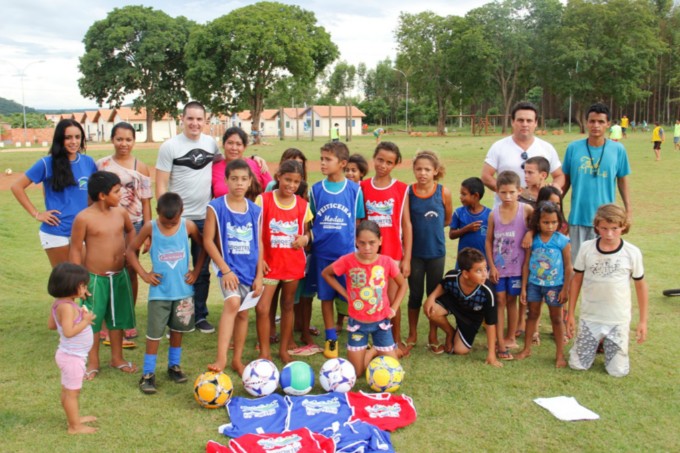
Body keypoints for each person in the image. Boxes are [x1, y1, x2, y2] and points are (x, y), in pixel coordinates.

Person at [126, 192, 206, 394]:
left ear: (182, 213)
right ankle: (148, 374)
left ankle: (174, 366)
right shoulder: (149, 227)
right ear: (157, 213)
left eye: (174, 221)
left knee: (177, 330)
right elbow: (130, 251)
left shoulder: (188, 226)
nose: (170, 225)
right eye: (165, 221)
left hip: (183, 292)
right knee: (154, 335)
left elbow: (203, 246)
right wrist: (144, 274)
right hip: (159, 293)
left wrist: (195, 271)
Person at [155, 101, 218, 334]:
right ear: (181, 119)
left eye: (199, 119)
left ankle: (199, 315)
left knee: (201, 270)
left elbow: (227, 164)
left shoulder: (211, 143)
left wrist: (255, 157)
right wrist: (164, 218)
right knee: (176, 269)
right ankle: (177, 317)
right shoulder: (169, 147)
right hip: (178, 220)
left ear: (205, 121)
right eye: (190, 118)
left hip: (204, 218)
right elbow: (160, 184)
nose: (194, 123)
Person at [566, 204, 648, 377]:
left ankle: (609, 347)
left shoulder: (632, 252)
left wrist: (642, 321)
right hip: (590, 317)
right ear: (596, 226)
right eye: (604, 228)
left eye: (614, 229)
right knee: (577, 365)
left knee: (618, 372)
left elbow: (640, 286)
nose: (609, 234)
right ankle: (592, 346)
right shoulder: (587, 248)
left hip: (618, 319)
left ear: (623, 227)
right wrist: (570, 314)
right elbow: (576, 281)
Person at [69, 171, 137, 378]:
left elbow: (131, 231)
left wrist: (130, 250)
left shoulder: (121, 213)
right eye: (117, 191)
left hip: (119, 276)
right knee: (93, 320)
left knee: (117, 319)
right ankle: (93, 361)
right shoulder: (84, 218)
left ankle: (117, 358)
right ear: (102, 195)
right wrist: (78, 281)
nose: (121, 194)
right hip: (94, 278)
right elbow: (74, 248)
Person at [321, 220, 407, 376]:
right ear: (356, 242)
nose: (367, 247)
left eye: (372, 243)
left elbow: (403, 285)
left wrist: (393, 308)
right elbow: (326, 273)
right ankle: (375, 350)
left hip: (381, 324)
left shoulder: (386, 262)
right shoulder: (347, 260)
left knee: (394, 370)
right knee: (358, 372)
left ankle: (376, 348)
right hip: (357, 325)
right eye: (362, 243)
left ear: (380, 241)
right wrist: (345, 293)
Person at [205, 159, 264, 376]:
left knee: (243, 313)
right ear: (226, 180)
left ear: (250, 182)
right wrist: (225, 269)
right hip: (228, 268)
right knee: (232, 303)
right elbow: (208, 241)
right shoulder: (216, 207)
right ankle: (221, 358)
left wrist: (259, 275)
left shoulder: (256, 211)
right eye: (234, 179)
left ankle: (237, 360)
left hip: (249, 270)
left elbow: (259, 244)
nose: (239, 183)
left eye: (243, 179)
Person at [11, 119, 97, 267]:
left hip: (82, 231)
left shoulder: (88, 162)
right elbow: (17, 187)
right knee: (66, 282)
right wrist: (37, 214)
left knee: (84, 278)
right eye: (68, 137)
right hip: (56, 232)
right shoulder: (46, 163)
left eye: (77, 137)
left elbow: (94, 194)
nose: (73, 142)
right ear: (59, 139)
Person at [97, 122, 152, 341]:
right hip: (107, 226)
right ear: (112, 140)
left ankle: (127, 319)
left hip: (135, 226)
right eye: (119, 139)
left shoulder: (141, 167)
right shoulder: (102, 165)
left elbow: (147, 202)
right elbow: (93, 198)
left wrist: (148, 232)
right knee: (106, 271)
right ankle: (103, 321)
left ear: (134, 141)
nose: (124, 144)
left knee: (130, 271)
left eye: (128, 139)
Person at [309, 141, 365, 359]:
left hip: (347, 255)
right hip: (322, 254)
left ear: (342, 163)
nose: (322, 163)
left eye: (327, 159)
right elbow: (312, 220)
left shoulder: (354, 190)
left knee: (352, 296)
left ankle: (357, 333)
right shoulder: (316, 190)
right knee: (326, 297)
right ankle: (330, 337)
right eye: (321, 158)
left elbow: (358, 221)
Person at [254, 160, 312, 363]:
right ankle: (265, 352)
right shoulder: (264, 200)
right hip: (269, 264)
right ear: (278, 176)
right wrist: (259, 260)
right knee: (262, 307)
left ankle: (284, 349)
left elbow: (306, 232)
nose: (291, 185)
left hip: (292, 264)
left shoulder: (303, 205)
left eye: (296, 182)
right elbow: (255, 231)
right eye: (288, 179)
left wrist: (305, 239)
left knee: (288, 304)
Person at [562, 103, 632, 261]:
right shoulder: (573, 148)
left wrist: (628, 211)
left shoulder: (618, 150)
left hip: (606, 221)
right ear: (586, 122)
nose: (596, 126)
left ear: (608, 124)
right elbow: (565, 182)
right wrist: (558, 211)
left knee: (603, 265)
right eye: (592, 121)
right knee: (577, 266)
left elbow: (622, 180)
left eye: (601, 122)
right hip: (578, 218)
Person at [361, 141, 412, 354]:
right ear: (374, 158)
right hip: (366, 255)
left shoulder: (401, 189)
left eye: (389, 162)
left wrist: (407, 258)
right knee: (369, 297)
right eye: (380, 160)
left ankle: (395, 340)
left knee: (391, 301)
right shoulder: (362, 187)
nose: (383, 165)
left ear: (396, 164)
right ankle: (370, 341)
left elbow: (406, 224)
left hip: (392, 255)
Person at [404, 151, 452, 354]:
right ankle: (413, 334)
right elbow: (405, 223)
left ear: (435, 171)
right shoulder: (408, 192)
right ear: (414, 169)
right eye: (419, 169)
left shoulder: (443, 192)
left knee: (434, 294)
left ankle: (433, 335)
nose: (422, 173)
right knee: (415, 294)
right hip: (415, 254)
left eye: (427, 169)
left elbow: (447, 219)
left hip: (436, 253)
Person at [423, 248, 501, 367]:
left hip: (471, 318)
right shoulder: (452, 276)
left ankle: (458, 335)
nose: (485, 274)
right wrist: (432, 297)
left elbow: (491, 324)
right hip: (454, 304)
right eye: (479, 271)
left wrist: (491, 355)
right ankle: (450, 332)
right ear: (465, 274)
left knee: (460, 351)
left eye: (485, 268)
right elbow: (443, 285)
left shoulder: (487, 292)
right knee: (430, 309)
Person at [516, 202, 572, 367]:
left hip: (555, 286)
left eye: (554, 222)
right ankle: (526, 349)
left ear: (559, 221)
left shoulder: (562, 240)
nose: (550, 226)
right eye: (545, 222)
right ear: (538, 222)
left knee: (556, 318)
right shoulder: (532, 239)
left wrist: (565, 289)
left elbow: (569, 267)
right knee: (532, 315)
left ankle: (560, 355)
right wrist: (524, 287)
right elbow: (526, 264)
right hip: (534, 284)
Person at [485, 171, 533, 360]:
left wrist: (530, 233)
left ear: (519, 191)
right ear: (497, 191)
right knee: (500, 300)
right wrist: (492, 266)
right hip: (499, 268)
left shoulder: (526, 210)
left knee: (512, 301)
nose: (507, 196)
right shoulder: (493, 214)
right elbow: (489, 241)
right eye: (503, 192)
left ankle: (510, 336)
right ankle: (499, 338)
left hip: (518, 268)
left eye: (512, 192)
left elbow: (535, 226)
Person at [481, 101, 564, 207]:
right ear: (512, 122)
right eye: (520, 120)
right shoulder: (499, 147)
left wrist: (555, 186)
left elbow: (559, 175)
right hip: (506, 212)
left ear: (536, 123)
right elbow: (486, 176)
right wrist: (510, 192)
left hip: (538, 213)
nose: (525, 124)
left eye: (529, 120)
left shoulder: (546, 148)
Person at [47, 263, 97, 434]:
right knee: (72, 393)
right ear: (71, 285)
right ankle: (75, 426)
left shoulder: (60, 303)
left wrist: (78, 314)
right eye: (83, 285)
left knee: (67, 390)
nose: (85, 288)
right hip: (72, 357)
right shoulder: (67, 307)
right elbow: (68, 332)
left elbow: (52, 325)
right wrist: (85, 321)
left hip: (68, 354)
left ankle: (73, 418)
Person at [335, 153, 369, 332]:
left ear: (361, 173)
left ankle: (357, 319)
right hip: (338, 244)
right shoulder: (339, 189)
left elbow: (359, 220)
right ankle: (340, 319)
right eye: (347, 170)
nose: (349, 173)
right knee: (341, 285)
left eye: (353, 170)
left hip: (355, 244)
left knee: (355, 284)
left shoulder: (359, 192)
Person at [213, 127, 272, 198]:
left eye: (238, 144)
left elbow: (272, 191)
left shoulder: (258, 165)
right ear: (223, 145)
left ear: (244, 147)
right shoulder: (214, 169)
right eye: (230, 143)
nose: (234, 148)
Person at [449, 177, 491, 261]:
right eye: (460, 194)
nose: (460, 197)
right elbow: (451, 235)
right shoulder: (459, 213)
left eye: (464, 194)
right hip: (464, 261)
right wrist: (466, 229)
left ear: (475, 196)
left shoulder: (490, 215)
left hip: (483, 261)